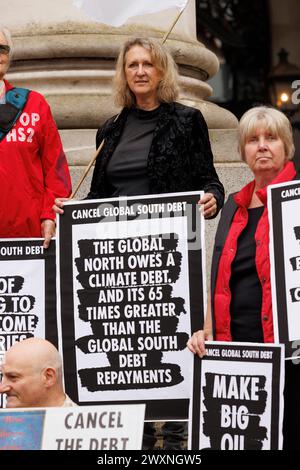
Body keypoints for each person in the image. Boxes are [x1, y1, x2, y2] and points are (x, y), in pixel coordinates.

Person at [54, 37, 224, 449]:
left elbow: (210, 179)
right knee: (130, 342)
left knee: (173, 337)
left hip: (172, 255)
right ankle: (142, 437)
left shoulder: (187, 120)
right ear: (124, 73)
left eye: (148, 63)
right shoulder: (110, 129)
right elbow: (98, 198)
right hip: (120, 259)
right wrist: (70, 211)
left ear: (161, 70)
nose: (140, 71)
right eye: (132, 65)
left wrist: (213, 199)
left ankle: (180, 435)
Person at [187, 106, 300, 450]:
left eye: (272, 138)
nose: (262, 146)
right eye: (253, 140)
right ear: (242, 151)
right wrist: (205, 331)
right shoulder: (234, 206)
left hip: (289, 355)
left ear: (287, 147)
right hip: (238, 354)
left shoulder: (297, 201)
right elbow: (220, 277)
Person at [0, 26, 71, 248]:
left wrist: (50, 215)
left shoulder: (34, 105)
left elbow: (56, 169)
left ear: (8, 56)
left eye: (1, 48)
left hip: (28, 236)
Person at [0, 337, 76, 408]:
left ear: (48, 377)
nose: (2, 388)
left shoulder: (83, 422)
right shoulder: (6, 421)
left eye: (13, 377)